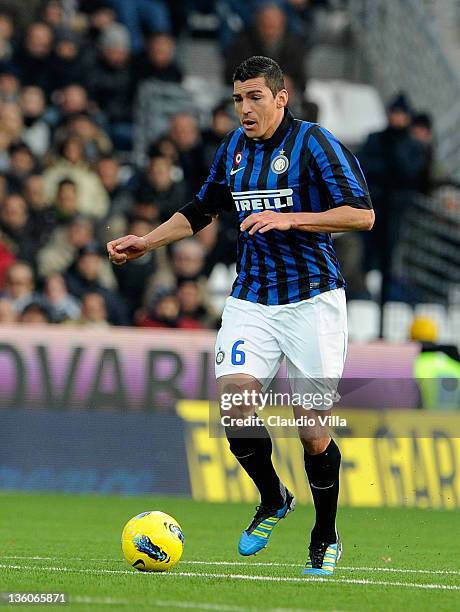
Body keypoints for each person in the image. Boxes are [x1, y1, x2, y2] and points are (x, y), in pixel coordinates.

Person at [107, 56, 374, 575]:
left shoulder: (313, 143)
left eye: (255, 97)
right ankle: (273, 499)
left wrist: (290, 218)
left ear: (281, 96)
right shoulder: (231, 149)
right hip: (252, 299)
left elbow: (361, 214)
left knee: (312, 430)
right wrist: (148, 241)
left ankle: (325, 533)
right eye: (238, 99)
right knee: (235, 408)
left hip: (313, 301)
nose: (245, 109)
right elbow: (201, 209)